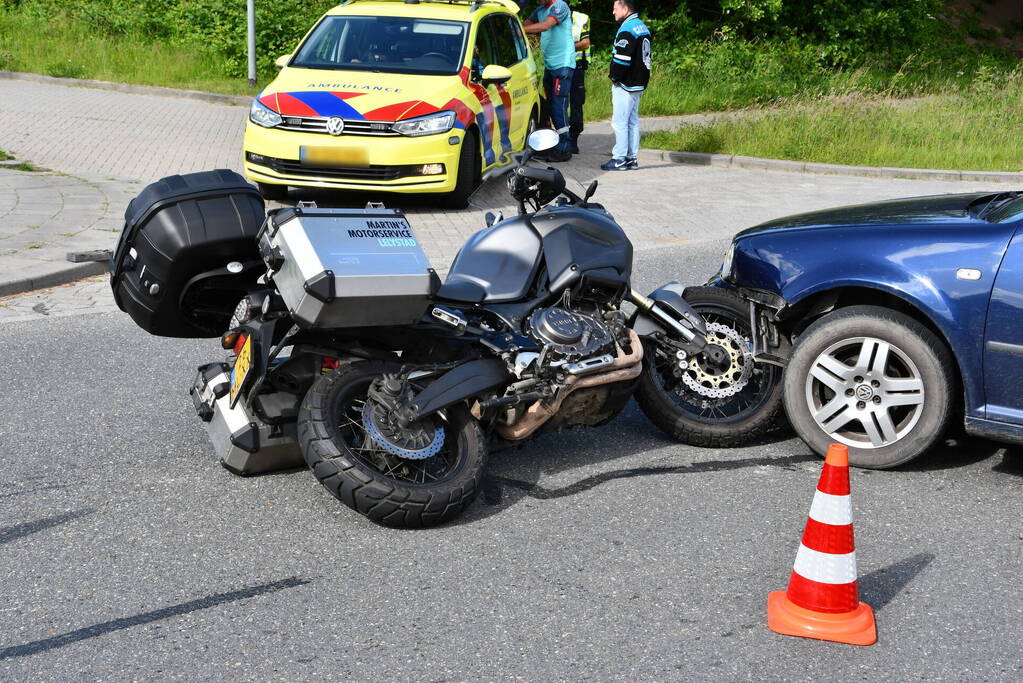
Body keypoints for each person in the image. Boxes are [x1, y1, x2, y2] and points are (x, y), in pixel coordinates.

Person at [523, 0, 576, 162]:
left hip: (563, 65)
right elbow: (525, 23)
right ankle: (549, 144)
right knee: (547, 106)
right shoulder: (540, 9)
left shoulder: (560, 6)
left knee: (558, 106)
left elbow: (545, 25)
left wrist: (520, 30)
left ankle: (564, 148)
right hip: (550, 66)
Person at [601, 0, 650, 171]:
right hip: (638, 83)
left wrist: (614, 77)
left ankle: (619, 158)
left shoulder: (627, 29)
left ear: (625, 8)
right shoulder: (642, 26)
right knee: (633, 122)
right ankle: (632, 158)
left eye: (615, 9)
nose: (613, 12)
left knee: (620, 122)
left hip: (626, 84)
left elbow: (621, 60)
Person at [569, 9, 590, 154]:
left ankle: (573, 139)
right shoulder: (547, 15)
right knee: (557, 104)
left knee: (576, 103)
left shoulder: (581, 18)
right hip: (556, 65)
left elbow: (585, 43)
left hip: (576, 66)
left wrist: (565, 47)